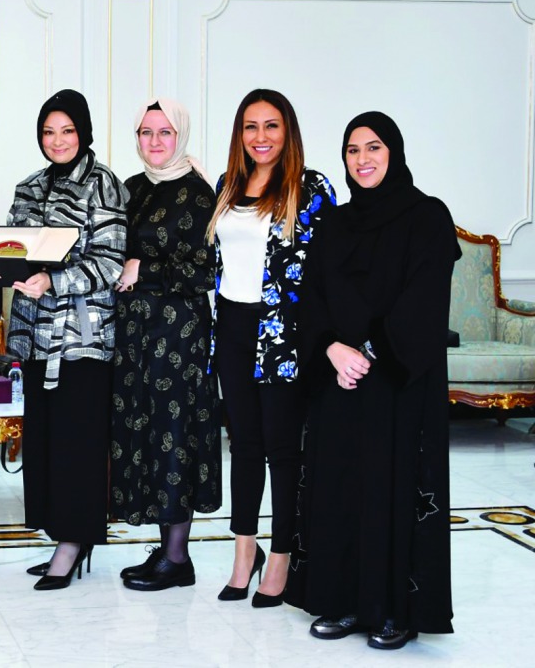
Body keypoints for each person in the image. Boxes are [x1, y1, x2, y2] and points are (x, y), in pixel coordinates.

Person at [286, 111, 456, 649]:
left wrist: (373, 351)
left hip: (398, 383)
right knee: (340, 489)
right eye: (353, 151)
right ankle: (341, 603)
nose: (362, 160)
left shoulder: (427, 216)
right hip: (342, 380)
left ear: (394, 152)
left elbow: (426, 298)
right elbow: (309, 298)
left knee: (393, 489)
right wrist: (333, 349)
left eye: (373, 147)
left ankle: (393, 611)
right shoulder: (334, 223)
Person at [208, 89, 336, 607]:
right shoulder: (227, 185)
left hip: (283, 331)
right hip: (233, 327)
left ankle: (281, 556)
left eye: (271, 126)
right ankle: (245, 553)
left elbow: (329, 269)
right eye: (250, 127)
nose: (261, 137)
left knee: (283, 451)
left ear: (288, 132)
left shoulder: (311, 188)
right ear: (240, 135)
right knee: (243, 446)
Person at [6, 90, 127, 590]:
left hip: (82, 339)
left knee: (78, 443)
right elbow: (12, 247)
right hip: (36, 336)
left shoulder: (105, 185)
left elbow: (110, 261)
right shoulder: (28, 186)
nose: (57, 141)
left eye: (67, 131)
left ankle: (74, 544)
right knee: (46, 444)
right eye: (48, 132)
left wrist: (54, 281)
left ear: (84, 133)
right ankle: (60, 535)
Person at [110, 98, 221, 592]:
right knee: (148, 436)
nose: (154, 142)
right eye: (145, 132)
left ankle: (177, 558)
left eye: (165, 133)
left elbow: (205, 270)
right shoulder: (131, 189)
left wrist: (144, 269)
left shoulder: (200, 194)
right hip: (134, 336)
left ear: (182, 136)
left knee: (175, 436)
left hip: (179, 334)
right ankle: (165, 550)